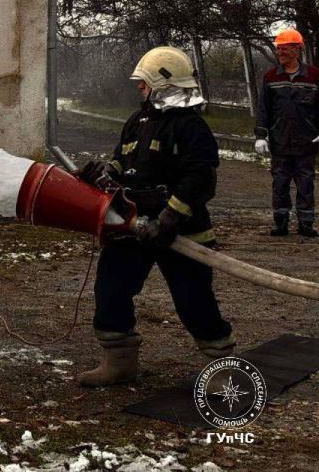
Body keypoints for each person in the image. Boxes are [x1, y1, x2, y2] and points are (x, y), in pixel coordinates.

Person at [76, 46, 235, 387]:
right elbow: (122, 163)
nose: (139, 89)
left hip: (181, 233)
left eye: (144, 83)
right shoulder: (137, 122)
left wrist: (170, 217)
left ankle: (221, 368)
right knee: (111, 289)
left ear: (164, 85)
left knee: (194, 301)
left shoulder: (191, 128)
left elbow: (201, 180)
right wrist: (105, 172)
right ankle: (119, 361)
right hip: (133, 228)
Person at [254, 28, 319, 238]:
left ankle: (306, 223)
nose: (280, 53)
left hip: (306, 142)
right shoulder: (271, 77)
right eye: (279, 49)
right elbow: (263, 108)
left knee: (306, 184)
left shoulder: (313, 77)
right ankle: (280, 222)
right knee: (280, 184)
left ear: (296, 50)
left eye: (284, 49)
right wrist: (261, 136)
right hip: (280, 141)